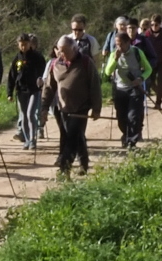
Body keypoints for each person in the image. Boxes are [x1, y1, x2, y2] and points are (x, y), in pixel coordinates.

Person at [42, 34, 100, 177]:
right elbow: (49, 87)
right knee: (76, 136)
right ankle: (84, 163)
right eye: (60, 51)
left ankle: (64, 168)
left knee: (71, 137)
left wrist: (96, 108)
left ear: (74, 49)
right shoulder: (55, 64)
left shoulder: (86, 62)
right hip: (63, 108)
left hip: (81, 108)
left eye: (65, 51)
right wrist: (44, 108)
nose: (62, 54)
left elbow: (95, 85)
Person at [104, 21, 152, 149]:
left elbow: (148, 69)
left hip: (135, 89)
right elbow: (108, 72)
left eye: (120, 44)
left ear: (127, 43)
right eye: (116, 44)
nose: (118, 47)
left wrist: (141, 78)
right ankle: (125, 135)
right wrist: (115, 59)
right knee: (121, 118)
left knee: (133, 116)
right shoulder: (114, 54)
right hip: (120, 89)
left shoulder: (137, 52)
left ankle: (131, 142)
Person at [6, 32, 47, 150]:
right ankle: (27, 139)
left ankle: (33, 140)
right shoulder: (17, 58)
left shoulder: (37, 57)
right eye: (21, 44)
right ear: (18, 45)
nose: (23, 47)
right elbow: (12, 76)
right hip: (21, 90)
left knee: (30, 114)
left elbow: (44, 72)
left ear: (30, 44)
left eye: (26, 44)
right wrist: (9, 93)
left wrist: (42, 83)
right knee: (24, 115)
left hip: (34, 90)